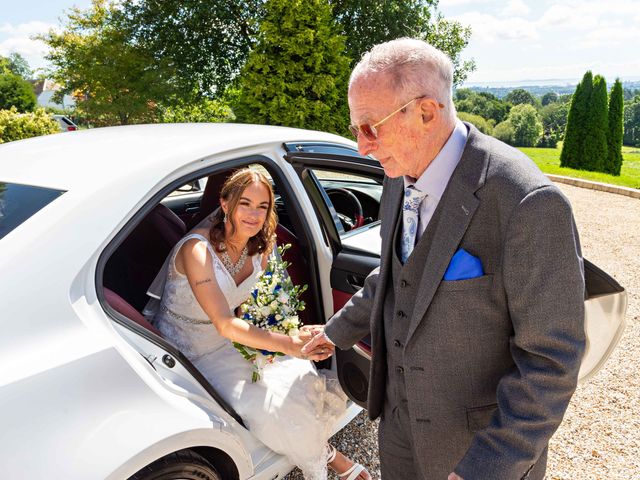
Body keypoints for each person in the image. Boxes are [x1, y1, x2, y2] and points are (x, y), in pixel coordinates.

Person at [303, 38, 585, 480]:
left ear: (427, 112)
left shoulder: (527, 202)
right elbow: (395, 275)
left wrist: (484, 467)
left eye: (370, 127)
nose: (361, 146)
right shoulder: (399, 173)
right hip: (398, 430)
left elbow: (551, 359)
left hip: (471, 447)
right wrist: (335, 332)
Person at [153, 168, 370, 480]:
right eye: (245, 204)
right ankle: (329, 458)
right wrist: (290, 346)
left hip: (231, 340)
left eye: (263, 206)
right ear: (225, 204)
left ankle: (324, 453)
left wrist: (299, 335)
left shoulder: (262, 248)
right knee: (268, 409)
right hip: (186, 350)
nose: (254, 215)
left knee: (295, 382)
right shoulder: (197, 250)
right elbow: (226, 323)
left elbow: (264, 311)